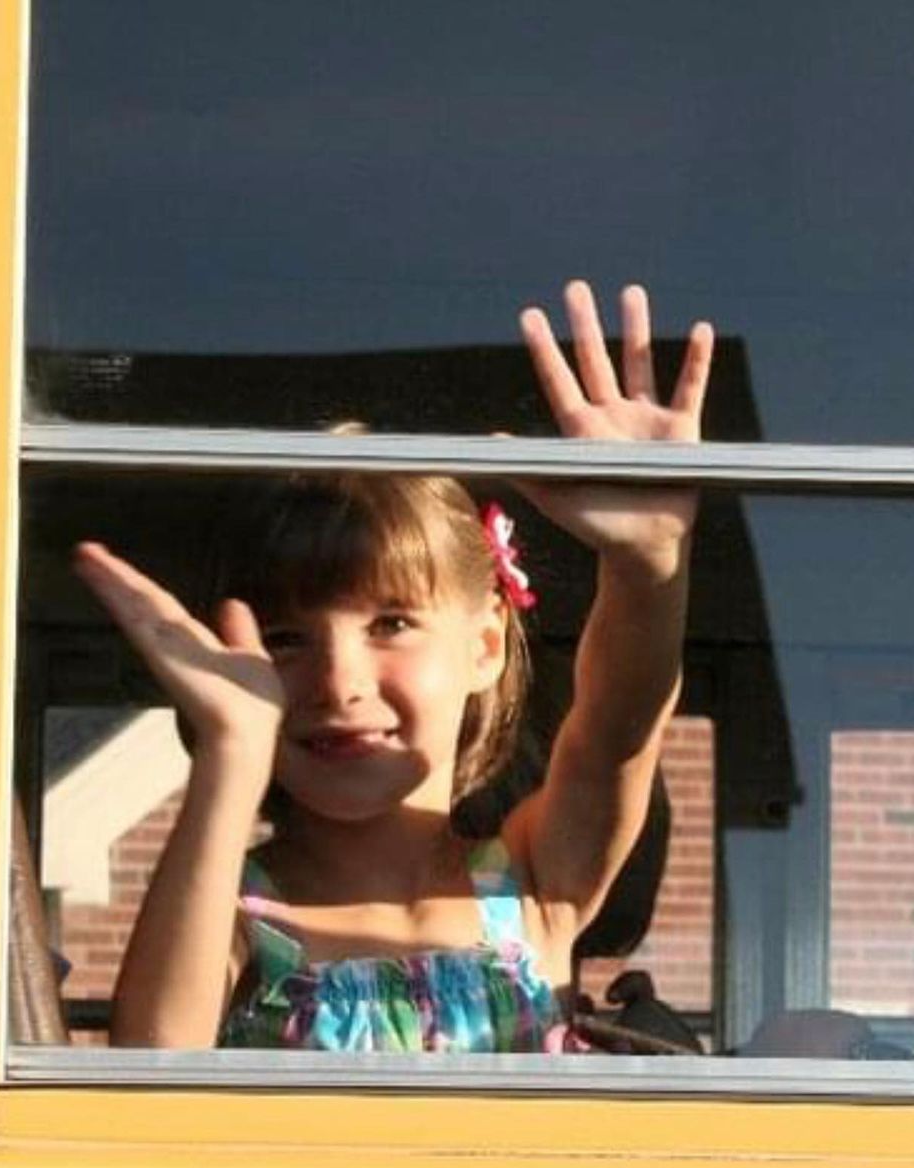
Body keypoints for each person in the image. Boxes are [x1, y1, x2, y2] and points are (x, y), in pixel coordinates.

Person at [74, 280, 714, 1051]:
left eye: (392, 624)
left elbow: (618, 726)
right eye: (286, 639)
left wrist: (647, 564)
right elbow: (152, 1068)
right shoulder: (233, 913)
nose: (340, 683)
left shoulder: (536, 881)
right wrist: (233, 751)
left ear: (484, 646)